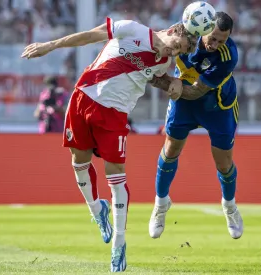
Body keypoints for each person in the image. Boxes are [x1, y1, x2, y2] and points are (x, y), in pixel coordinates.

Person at [21, 17, 197, 272]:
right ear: (170, 31)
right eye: (175, 44)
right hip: (83, 96)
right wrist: (50, 45)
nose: (174, 51)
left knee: (116, 176)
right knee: (78, 162)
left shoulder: (163, 63)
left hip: (114, 114)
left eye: (179, 51)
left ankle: (119, 245)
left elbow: (153, 78)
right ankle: (96, 210)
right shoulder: (132, 29)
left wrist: (174, 82)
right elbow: (90, 36)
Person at [147, 12, 243, 240]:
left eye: (222, 40)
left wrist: (170, 84)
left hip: (217, 105)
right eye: (213, 38)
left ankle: (230, 207)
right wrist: (154, 74)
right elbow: (155, 55)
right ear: (203, 29)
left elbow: (195, 91)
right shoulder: (182, 36)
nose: (216, 45)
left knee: (224, 163)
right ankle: (160, 204)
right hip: (184, 102)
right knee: (170, 150)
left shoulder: (229, 56)